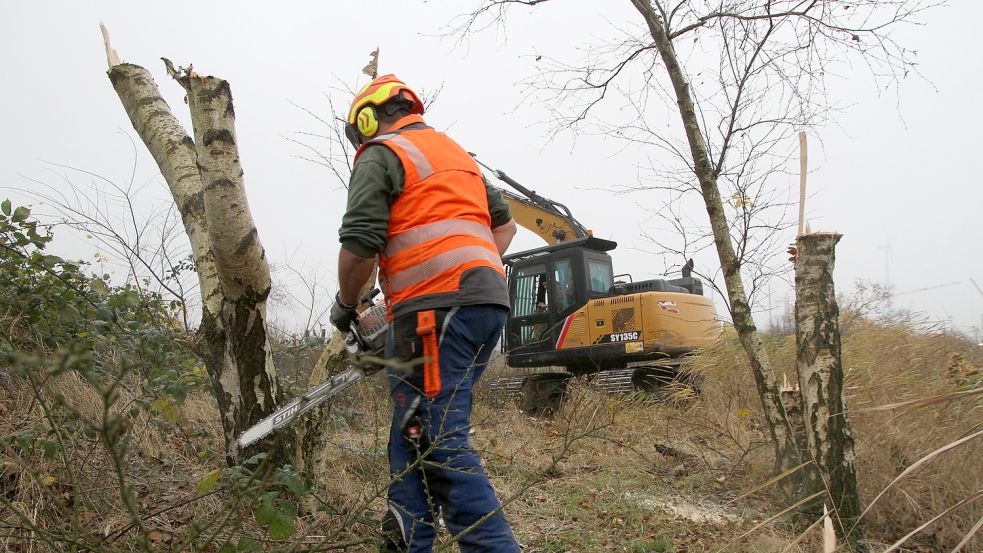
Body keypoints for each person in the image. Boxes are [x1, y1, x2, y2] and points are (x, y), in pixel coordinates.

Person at [328, 74, 520, 553]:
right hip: (482, 304)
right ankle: (407, 540)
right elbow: (506, 227)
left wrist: (347, 307)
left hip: (437, 312)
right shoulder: (457, 156)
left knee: (436, 437)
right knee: (412, 429)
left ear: (366, 119)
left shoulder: (382, 153)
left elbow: (359, 248)